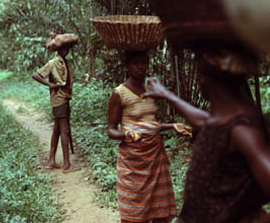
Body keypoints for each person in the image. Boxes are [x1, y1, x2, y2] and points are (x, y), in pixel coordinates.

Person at [142, 47, 270, 223]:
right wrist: (167, 95)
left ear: (204, 79)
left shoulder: (241, 129)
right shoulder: (223, 120)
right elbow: (204, 121)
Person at [107, 50, 192, 223]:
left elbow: (151, 124)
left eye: (144, 63)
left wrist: (172, 126)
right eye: (135, 63)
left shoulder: (151, 91)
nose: (140, 67)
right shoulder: (118, 93)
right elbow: (110, 130)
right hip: (133, 159)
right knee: (134, 209)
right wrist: (126, 134)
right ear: (127, 66)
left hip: (154, 157)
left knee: (159, 208)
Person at [32, 31, 81, 173]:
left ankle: (51, 160)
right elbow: (36, 75)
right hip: (59, 100)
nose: (67, 51)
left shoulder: (65, 62)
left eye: (68, 49)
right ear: (60, 49)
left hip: (63, 98)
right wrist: (50, 85)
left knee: (57, 130)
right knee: (64, 130)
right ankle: (66, 165)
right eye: (64, 49)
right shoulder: (53, 62)